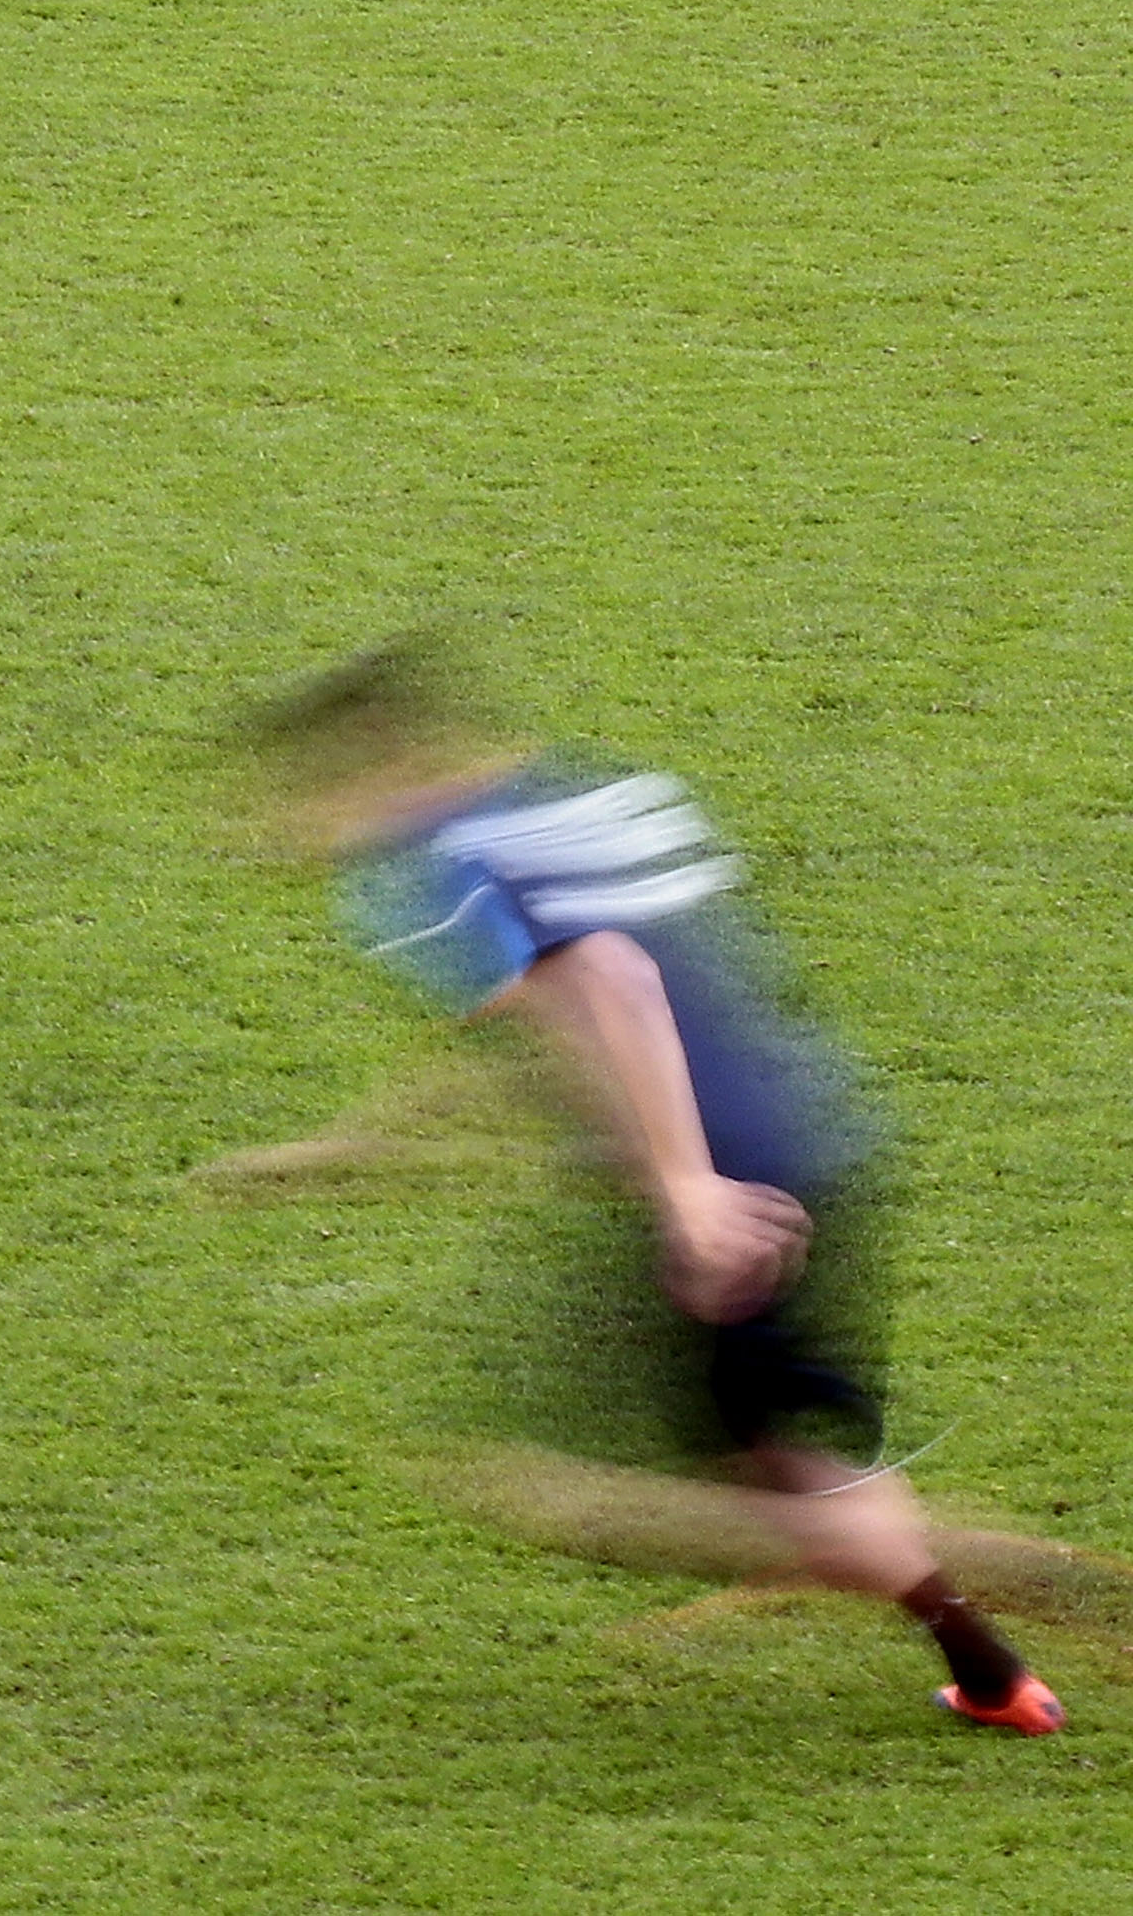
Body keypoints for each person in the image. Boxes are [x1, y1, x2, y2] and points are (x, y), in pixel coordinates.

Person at [259, 641, 1064, 1735]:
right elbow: (532, 1024)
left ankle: (994, 1628)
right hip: (810, 1126)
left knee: (706, 1480)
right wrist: (353, 1149)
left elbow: (612, 978)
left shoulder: (430, 865)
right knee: (754, 1454)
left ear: (355, 772)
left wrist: (687, 1188)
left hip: (730, 1179)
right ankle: (961, 1636)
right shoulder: (584, 798)